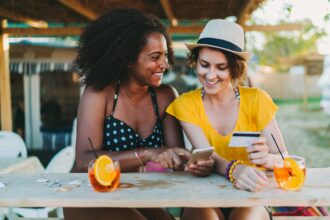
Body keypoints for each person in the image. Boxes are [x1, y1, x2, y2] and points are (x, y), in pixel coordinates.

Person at [64, 7, 211, 220]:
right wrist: (145, 154)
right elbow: (84, 159)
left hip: (134, 192)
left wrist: (189, 162)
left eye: (165, 55)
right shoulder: (99, 94)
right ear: (127, 59)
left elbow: (172, 156)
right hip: (89, 192)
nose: (165, 64)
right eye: (155, 57)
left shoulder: (165, 95)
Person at [167, 19, 288, 220]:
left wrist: (268, 159)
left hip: (251, 193)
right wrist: (234, 169)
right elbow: (209, 156)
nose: (210, 75)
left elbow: (285, 157)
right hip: (204, 195)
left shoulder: (257, 99)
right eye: (204, 65)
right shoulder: (186, 104)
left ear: (235, 69)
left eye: (221, 67)